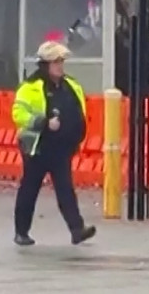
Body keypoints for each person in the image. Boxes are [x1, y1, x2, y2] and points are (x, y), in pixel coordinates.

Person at [11, 40, 97, 246]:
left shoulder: (70, 85)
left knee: (65, 189)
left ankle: (77, 230)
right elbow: (18, 113)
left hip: (61, 148)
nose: (60, 65)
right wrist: (42, 123)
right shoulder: (30, 88)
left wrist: (76, 134)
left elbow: (79, 110)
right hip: (38, 148)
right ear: (45, 64)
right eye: (55, 62)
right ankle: (21, 232)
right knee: (29, 189)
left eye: (61, 61)